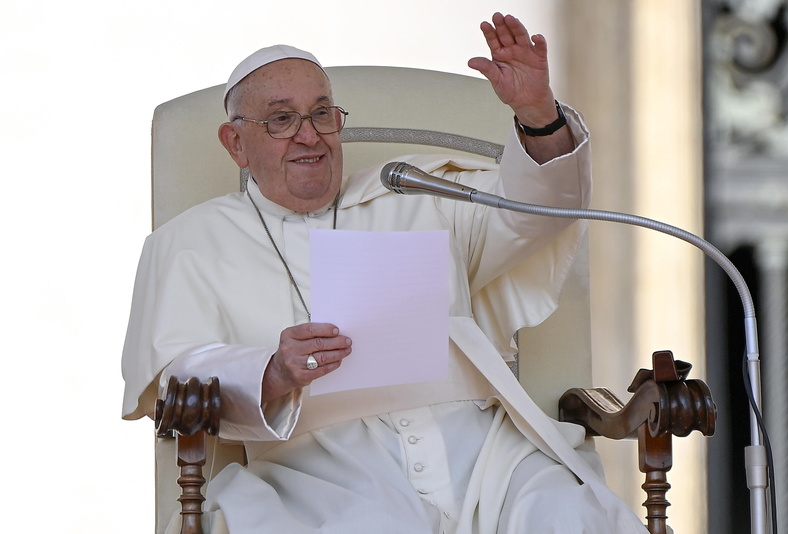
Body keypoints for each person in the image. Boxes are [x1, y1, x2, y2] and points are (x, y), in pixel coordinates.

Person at [122, 12, 647, 534]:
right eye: (282, 120)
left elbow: (541, 212)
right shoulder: (188, 243)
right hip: (317, 475)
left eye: (321, 114)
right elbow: (176, 377)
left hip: (488, 460)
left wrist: (537, 114)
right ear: (235, 143)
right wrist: (273, 371)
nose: (309, 136)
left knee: (567, 514)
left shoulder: (418, 194)